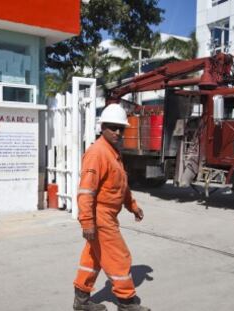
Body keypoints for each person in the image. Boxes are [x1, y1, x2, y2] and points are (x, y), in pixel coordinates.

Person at [73, 104, 150, 311]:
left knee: (92, 258)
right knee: (119, 255)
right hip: (100, 216)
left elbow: (120, 185)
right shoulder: (97, 153)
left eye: (121, 128)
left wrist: (132, 205)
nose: (117, 132)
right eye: (112, 127)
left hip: (106, 214)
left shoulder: (113, 153)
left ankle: (81, 301)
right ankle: (126, 303)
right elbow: (86, 192)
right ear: (102, 127)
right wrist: (87, 222)